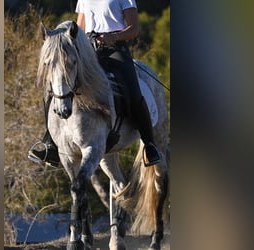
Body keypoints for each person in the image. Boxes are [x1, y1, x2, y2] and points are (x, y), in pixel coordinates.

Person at [29, 0, 161, 167]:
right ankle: (51, 144)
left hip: (115, 49)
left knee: (132, 90)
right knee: (54, 87)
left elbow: (134, 29)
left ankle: (149, 144)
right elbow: (78, 29)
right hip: (88, 51)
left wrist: (114, 36)